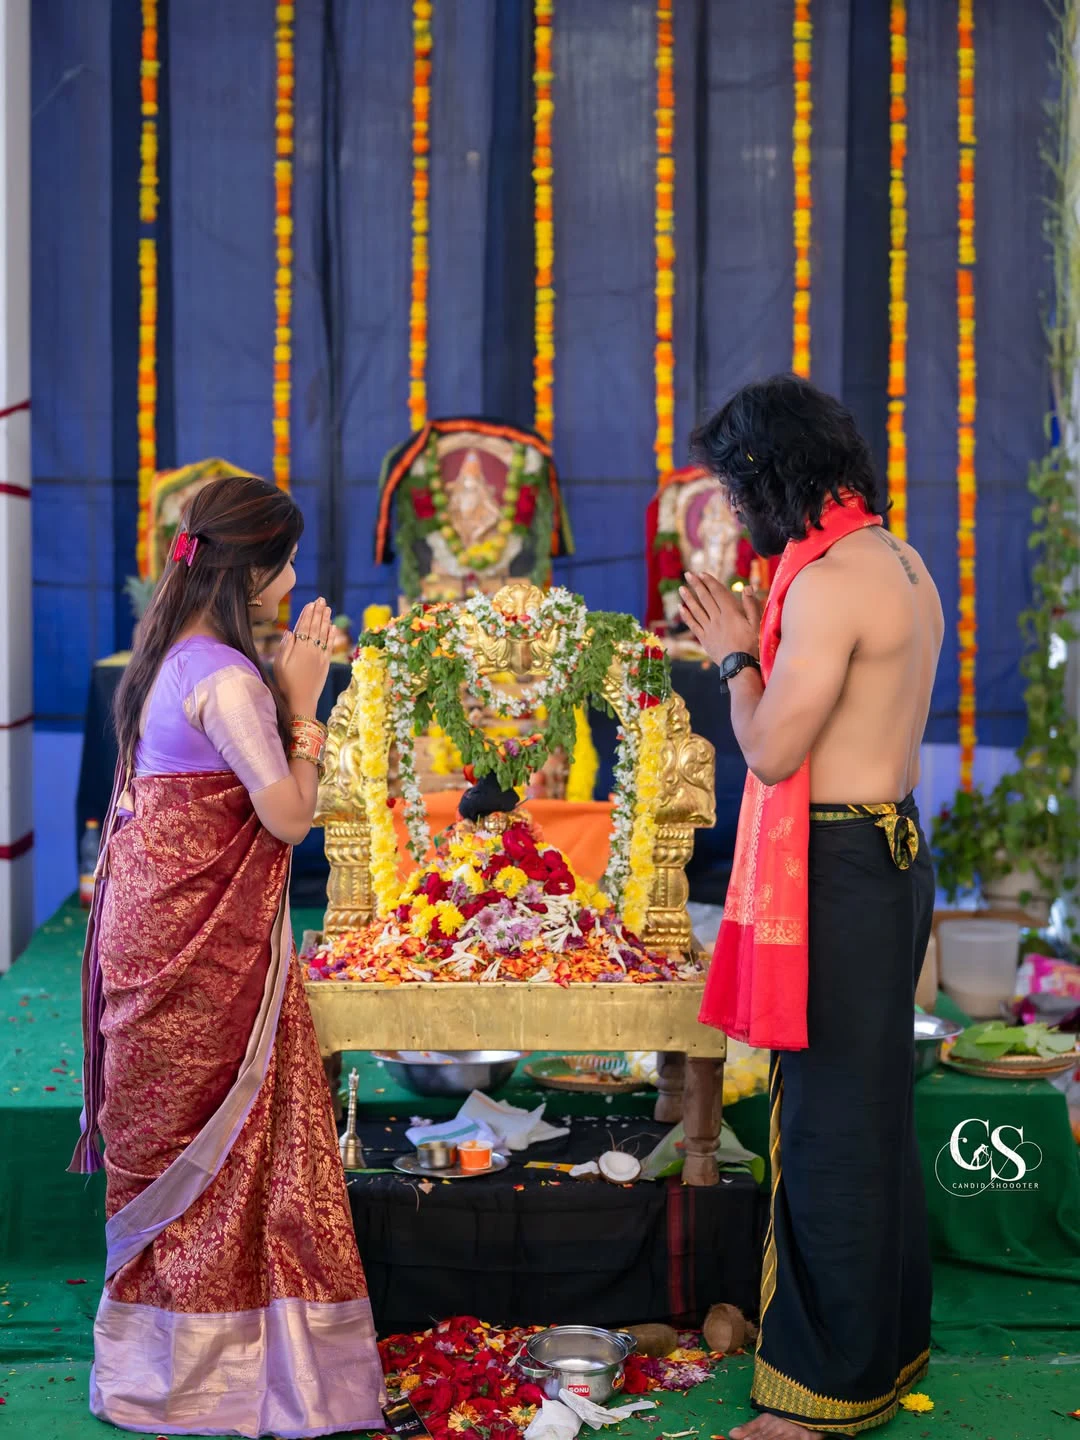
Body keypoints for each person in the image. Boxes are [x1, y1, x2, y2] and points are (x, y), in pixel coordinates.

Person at [69, 474, 386, 1437]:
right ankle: (214, 1378)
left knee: (176, 1142)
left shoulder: (171, 654)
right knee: (212, 1144)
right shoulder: (228, 679)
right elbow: (287, 817)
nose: (294, 580)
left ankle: (163, 1370)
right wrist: (306, 702)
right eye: (287, 562)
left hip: (152, 933)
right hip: (197, 958)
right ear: (252, 569)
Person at [678, 375, 943, 1439]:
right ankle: (883, 1347)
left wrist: (736, 656)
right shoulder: (898, 558)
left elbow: (773, 748)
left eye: (738, 490)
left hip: (839, 867)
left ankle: (818, 1395)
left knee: (825, 1128)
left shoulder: (832, 583)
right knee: (870, 1116)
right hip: (887, 854)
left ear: (773, 474)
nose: (735, 513)